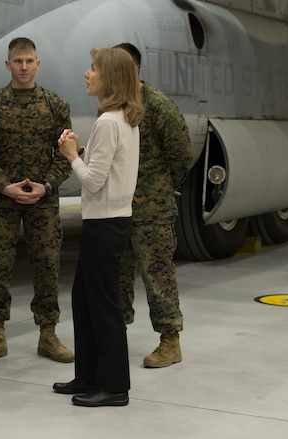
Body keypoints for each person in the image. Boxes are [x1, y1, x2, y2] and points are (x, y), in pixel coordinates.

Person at [0, 37, 74, 365]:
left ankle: (48, 333)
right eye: (18, 61)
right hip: (1, 200)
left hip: (42, 200)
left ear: (38, 63)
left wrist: (47, 185)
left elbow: (66, 153)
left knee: (47, 265)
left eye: (30, 61)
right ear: (8, 65)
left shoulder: (55, 105)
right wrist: (5, 186)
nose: (25, 67)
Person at [53, 47, 142, 407]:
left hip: (104, 224)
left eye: (93, 69)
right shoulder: (123, 118)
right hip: (113, 220)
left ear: (110, 77)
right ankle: (88, 376)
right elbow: (111, 168)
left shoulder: (107, 121)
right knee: (84, 300)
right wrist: (83, 150)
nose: (87, 74)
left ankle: (114, 386)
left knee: (102, 305)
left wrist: (72, 156)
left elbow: (92, 182)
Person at [114, 42, 192, 368]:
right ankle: (115, 336)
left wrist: (164, 186)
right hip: (119, 208)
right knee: (116, 277)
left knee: (157, 277)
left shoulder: (158, 106)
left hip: (152, 212)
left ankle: (170, 341)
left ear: (132, 69)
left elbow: (182, 154)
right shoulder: (113, 107)